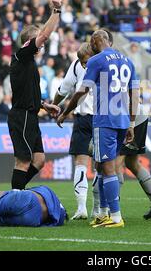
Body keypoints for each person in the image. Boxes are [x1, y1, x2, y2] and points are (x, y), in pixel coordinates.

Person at [57, 30, 140, 228]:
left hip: (104, 120)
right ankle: (103, 213)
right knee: (102, 168)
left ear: (95, 42)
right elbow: (135, 93)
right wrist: (131, 123)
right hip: (122, 120)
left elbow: (81, 92)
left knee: (107, 168)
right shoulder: (127, 61)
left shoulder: (96, 60)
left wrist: (65, 111)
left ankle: (116, 217)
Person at [8, 0, 62, 190]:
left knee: (38, 160)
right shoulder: (21, 56)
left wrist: (44, 105)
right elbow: (45, 34)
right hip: (21, 116)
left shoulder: (29, 63)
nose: (43, 43)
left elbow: (26, 91)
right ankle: (14, 198)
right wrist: (56, 10)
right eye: (38, 40)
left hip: (31, 114)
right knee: (22, 162)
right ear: (28, 42)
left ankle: (17, 191)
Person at [52, 42, 95, 220]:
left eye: (86, 62)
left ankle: (93, 208)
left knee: (95, 164)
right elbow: (64, 88)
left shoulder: (82, 65)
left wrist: (59, 107)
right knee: (85, 163)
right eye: (82, 62)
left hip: (93, 117)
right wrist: (54, 104)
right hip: (94, 118)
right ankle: (85, 208)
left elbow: (66, 90)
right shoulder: (80, 64)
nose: (84, 65)